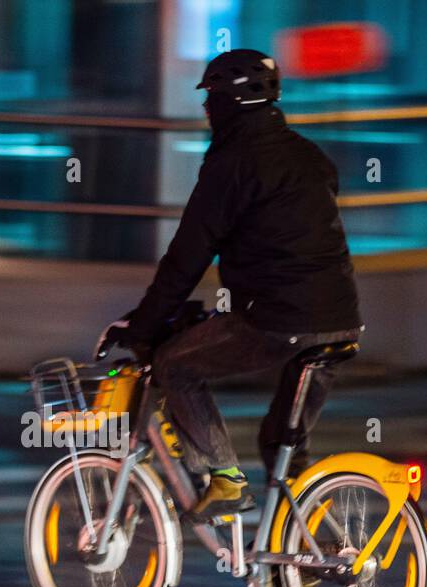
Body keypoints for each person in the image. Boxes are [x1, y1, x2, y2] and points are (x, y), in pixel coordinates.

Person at [95, 49, 363, 522]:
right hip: (341, 320)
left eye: (210, 99)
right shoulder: (308, 154)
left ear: (226, 102)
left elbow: (186, 258)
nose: (205, 111)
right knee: (283, 446)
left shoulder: (231, 165)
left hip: (279, 320)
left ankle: (225, 479)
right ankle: (297, 567)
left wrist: (143, 328)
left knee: (175, 365)